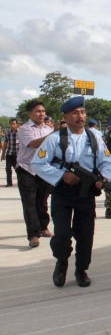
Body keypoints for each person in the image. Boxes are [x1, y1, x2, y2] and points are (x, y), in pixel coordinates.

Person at [31, 96, 111, 287]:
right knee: (61, 234)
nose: (80, 116)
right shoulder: (55, 138)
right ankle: (61, 263)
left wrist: (104, 178)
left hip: (86, 194)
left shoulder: (95, 138)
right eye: (75, 113)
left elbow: (107, 161)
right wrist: (61, 176)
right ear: (66, 116)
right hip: (63, 193)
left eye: (82, 112)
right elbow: (37, 163)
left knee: (86, 234)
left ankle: (81, 270)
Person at [16, 100, 54, 248]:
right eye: (38, 111)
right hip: (26, 169)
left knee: (42, 200)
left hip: (43, 169)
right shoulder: (24, 129)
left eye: (43, 111)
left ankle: (43, 227)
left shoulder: (48, 129)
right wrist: (55, 134)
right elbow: (34, 144)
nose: (41, 114)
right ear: (29, 113)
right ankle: (33, 234)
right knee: (29, 202)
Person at [2, 119, 19, 187]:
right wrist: (3, 153)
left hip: (18, 154)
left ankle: (20, 182)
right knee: (8, 169)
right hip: (9, 153)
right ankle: (9, 183)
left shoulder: (20, 132)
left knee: (18, 169)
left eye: (14, 124)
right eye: (11, 124)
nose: (12, 125)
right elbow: (5, 143)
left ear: (16, 124)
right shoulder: (7, 133)